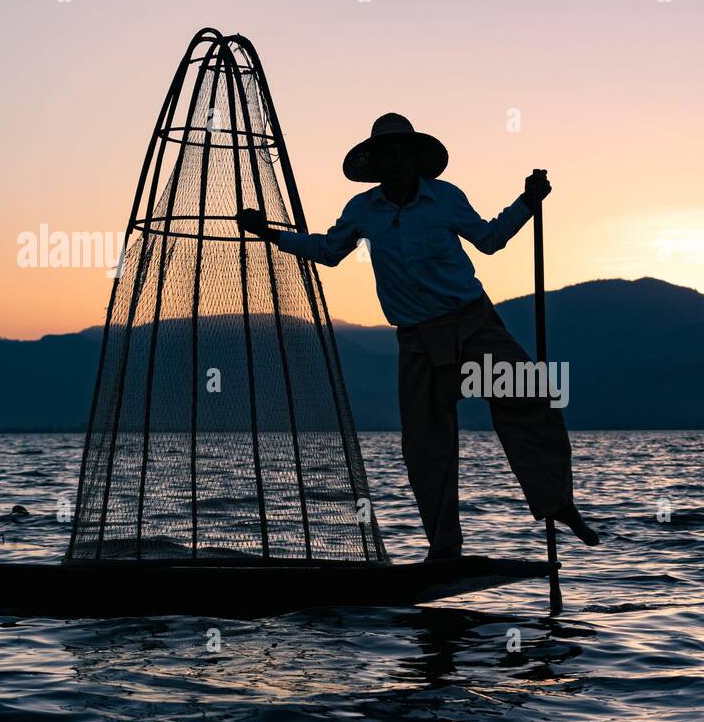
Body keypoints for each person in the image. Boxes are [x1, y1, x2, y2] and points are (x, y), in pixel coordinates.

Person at [237, 112, 598, 560]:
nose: (396, 160)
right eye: (387, 153)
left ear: (414, 158)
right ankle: (445, 547)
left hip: (473, 325)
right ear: (377, 162)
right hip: (417, 342)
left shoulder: (445, 198)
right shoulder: (363, 211)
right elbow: (328, 252)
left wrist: (527, 202)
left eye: (402, 152)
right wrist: (270, 234)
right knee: (426, 446)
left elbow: (489, 239)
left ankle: (558, 503)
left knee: (531, 398)